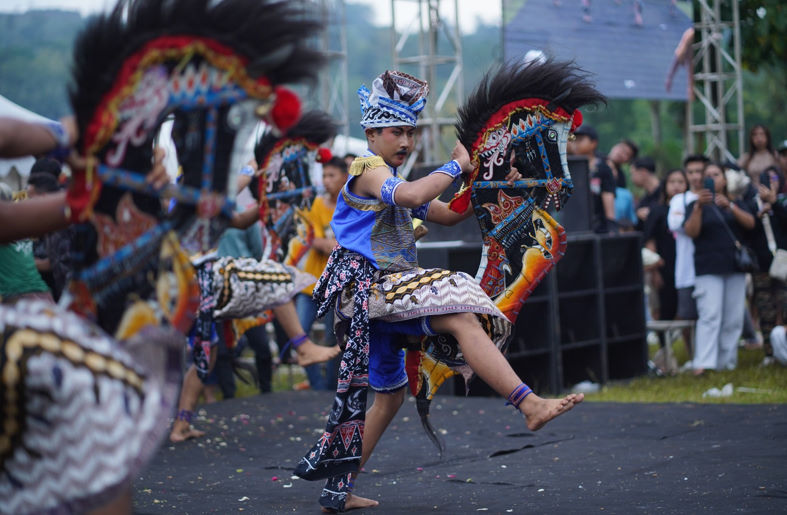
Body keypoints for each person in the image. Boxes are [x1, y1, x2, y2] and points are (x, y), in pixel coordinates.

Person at [295, 69, 585, 512]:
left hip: (375, 302)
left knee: (390, 398)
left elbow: (449, 213)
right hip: (368, 293)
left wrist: (492, 179)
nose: (406, 141)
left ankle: (338, 491)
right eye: (396, 131)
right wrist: (454, 166)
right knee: (461, 309)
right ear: (371, 134)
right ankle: (528, 404)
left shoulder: (391, 179)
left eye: (410, 131)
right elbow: (411, 197)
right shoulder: (368, 169)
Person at [684, 162, 756, 375]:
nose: (712, 178)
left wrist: (730, 207)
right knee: (710, 315)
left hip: (735, 266)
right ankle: (704, 363)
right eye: (708, 175)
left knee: (733, 317)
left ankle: (727, 362)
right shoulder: (694, 204)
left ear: (724, 179)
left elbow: (751, 224)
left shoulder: (736, 203)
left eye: (716, 174)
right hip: (708, 268)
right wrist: (698, 207)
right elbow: (691, 232)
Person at [295, 156, 347, 391]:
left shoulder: (351, 205)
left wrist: (331, 243)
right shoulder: (316, 204)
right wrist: (337, 244)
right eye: (324, 176)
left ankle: (328, 388)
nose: (326, 181)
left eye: (331, 175)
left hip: (336, 289)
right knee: (299, 335)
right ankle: (317, 387)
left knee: (333, 339)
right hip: (311, 285)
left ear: (344, 177)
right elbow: (314, 240)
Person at [667, 155, 708, 355]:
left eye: (700, 171)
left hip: (711, 267)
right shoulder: (679, 200)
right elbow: (676, 225)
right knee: (687, 314)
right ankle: (693, 355)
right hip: (686, 268)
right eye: (691, 172)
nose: (695, 176)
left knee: (709, 315)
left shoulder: (716, 197)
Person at [747, 166, 787, 364]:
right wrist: (758, 216)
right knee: (766, 310)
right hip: (761, 266)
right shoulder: (750, 204)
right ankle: (770, 353)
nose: (770, 183)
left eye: (773, 179)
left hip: (783, 264)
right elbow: (747, 230)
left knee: (785, 304)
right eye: (765, 179)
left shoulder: (783, 202)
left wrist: (775, 205)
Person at [644, 168, 688, 321]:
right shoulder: (657, 211)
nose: (676, 186)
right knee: (665, 309)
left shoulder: (692, 209)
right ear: (665, 185)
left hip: (687, 267)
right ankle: (665, 343)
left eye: (681, 182)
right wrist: (655, 270)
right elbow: (650, 240)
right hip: (664, 268)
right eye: (672, 182)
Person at [569, 124, 617, 233]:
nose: (576, 144)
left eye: (580, 140)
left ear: (593, 143)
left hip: (597, 225)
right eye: (574, 140)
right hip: (572, 224)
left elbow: (608, 195)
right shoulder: (567, 167)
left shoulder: (602, 168)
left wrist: (611, 224)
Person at [631, 156, 662, 230]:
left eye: (632, 174)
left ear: (643, 172)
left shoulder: (665, 193)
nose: (632, 178)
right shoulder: (644, 199)